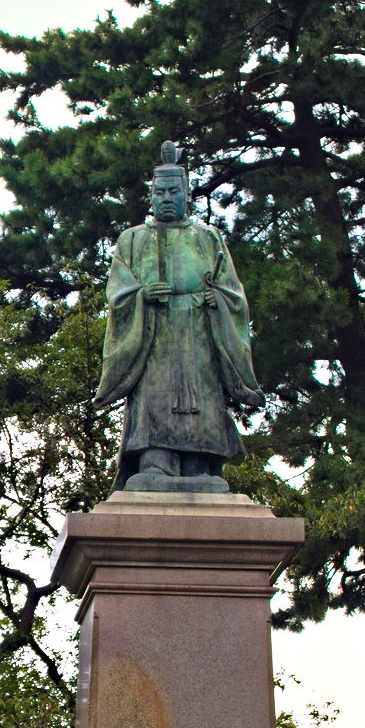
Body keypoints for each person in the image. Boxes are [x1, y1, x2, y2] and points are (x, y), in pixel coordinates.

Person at [94, 140, 265, 492]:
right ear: (151, 197)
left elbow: (233, 292)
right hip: (153, 329)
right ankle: (156, 461)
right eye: (161, 192)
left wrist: (216, 300)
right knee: (155, 393)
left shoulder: (208, 237)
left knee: (203, 395)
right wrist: (141, 296)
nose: (167, 198)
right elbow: (118, 293)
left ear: (186, 194)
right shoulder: (132, 240)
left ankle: (199, 465)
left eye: (175, 191)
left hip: (199, 327)